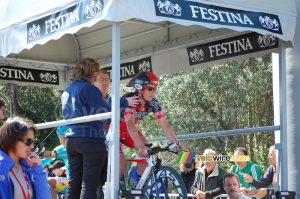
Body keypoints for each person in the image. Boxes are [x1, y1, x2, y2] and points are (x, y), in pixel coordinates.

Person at [61, 58, 138, 199]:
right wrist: (124, 102)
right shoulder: (89, 89)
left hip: (71, 140)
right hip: (91, 139)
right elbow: (104, 115)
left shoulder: (67, 91)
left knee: (74, 183)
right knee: (89, 184)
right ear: (92, 72)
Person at [117, 71, 185, 179]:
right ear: (140, 88)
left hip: (128, 132)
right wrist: (141, 147)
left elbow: (165, 126)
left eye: (155, 88)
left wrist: (178, 146)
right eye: (149, 88)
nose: (153, 92)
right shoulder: (130, 100)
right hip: (114, 132)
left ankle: (140, 189)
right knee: (121, 166)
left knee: (148, 153)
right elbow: (130, 126)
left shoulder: (153, 103)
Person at [0, 116, 51, 199]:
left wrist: (38, 170)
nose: (32, 146)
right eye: (28, 141)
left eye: (33, 141)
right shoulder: (1, 168)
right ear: (12, 140)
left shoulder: (28, 166)